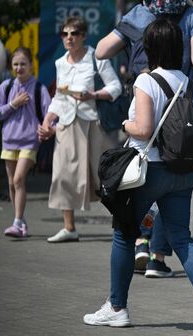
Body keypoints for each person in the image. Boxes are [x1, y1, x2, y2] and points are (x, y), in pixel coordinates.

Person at [83, 19, 193, 333]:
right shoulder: (187, 82)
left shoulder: (146, 82)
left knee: (123, 234)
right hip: (181, 171)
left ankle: (117, 307)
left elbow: (144, 129)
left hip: (147, 171)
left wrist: (124, 124)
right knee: (183, 238)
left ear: (149, 48)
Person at [96, 0, 193, 275]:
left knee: (143, 175)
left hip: (144, 95)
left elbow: (101, 50)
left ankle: (139, 243)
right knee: (171, 182)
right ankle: (158, 257)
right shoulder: (192, 13)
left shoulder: (140, 11)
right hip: (179, 106)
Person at [38, 16, 121, 243]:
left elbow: (115, 87)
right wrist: (47, 121)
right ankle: (69, 227)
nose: (69, 38)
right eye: (65, 34)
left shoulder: (96, 58)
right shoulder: (60, 63)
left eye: (74, 33)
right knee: (62, 175)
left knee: (102, 177)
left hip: (91, 124)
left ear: (83, 35)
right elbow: (59, 96)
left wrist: (92, 95)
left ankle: (125, 225)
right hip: (65, 124)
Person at [0, 47, 51, 238]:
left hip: (29, 141)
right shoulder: (6, 86)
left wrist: (48, 128)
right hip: (8, 140)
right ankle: (20, 221)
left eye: (23, 64)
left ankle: (17, 222)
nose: (19, 68)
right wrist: (14, 104)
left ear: (31, 65)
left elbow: (49, 114)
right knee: (12, 184)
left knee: (19, 179)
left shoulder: (39, 88)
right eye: (15, 64)